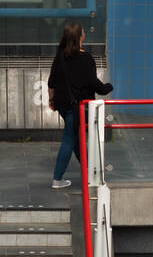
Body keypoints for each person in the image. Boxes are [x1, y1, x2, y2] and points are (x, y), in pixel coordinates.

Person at [47, 21, 113, 189]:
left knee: (76, 139)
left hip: (63, 104)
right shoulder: (86, 58)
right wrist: (109, 87)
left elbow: (51, 82)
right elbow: (94, 84)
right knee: (69, 140)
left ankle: (90, 171)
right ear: (80, 37)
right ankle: (57, 178)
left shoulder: (61, 55)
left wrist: (51, 101)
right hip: (78, 106)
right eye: (83, 32)